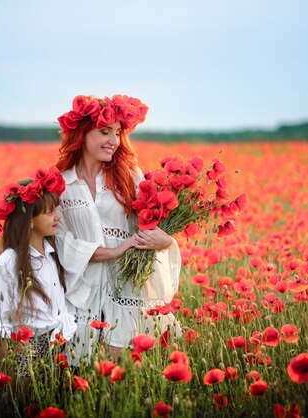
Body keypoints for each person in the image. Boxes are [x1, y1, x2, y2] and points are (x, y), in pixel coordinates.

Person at [55, 94, 181, 365]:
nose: (113, 140)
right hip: (81, 290)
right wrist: (114, 250)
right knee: (78, 371)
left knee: (120, 372)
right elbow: (63, 243)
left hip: (126, 287)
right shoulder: (62, 184)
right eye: (104, 132)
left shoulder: (129, 176)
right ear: (82, 134)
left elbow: (150, 223)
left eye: (117, 133)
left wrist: (163, 240)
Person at [0, 166, 76, 378]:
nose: (57, 217)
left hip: (61, 348)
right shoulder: (7, 264)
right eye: (49, 212)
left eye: (56, 210)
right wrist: (10, 378)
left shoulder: (53, 253)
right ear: (30, 220)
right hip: (29, 353)